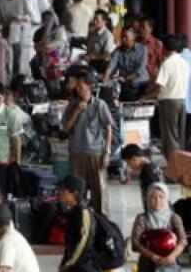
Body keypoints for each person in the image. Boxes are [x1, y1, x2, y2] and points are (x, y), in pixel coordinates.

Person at [62, 69, 114, 215]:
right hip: (76, 153)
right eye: (76, 87)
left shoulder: (99, 105)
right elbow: (65, 128)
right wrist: (77, 111)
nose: (77, 89)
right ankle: (78, 217)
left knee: (100, 191)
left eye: (81, 86)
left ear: (89, 86)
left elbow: (108, 128)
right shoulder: (72, 105)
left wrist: (107, 153)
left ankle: (101, 220)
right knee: (77, 191)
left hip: (96, 153)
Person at [131, 183, 186, 272]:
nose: (157, 201)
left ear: (167, 198)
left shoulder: (174, 218)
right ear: (148, 199)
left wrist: (171, 257)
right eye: (153, 197)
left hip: (170, 271)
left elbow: (183, 241)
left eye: (161, 197)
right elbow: (135, 243)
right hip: (147, 271)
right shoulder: (142, 219)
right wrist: (154, 257)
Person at [141, 35, 190, 159]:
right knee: (180, 136)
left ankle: (173, 164)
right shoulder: (184, 63)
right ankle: (181, 163)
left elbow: (160, 87)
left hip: (169, 102)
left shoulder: (167, 64)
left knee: (170, 136)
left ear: (165, 48)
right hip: (181, 101)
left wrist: (146, 97)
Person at [57, 174, 102, 272]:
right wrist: (65, 263)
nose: (60, 193)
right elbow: (70, 243)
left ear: (74, 193)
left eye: (63, 191)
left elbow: (83, 241)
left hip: (87, 271)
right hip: (77, 269)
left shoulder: (84, 213)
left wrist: (69, 264)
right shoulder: (72, 213)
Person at [103, 27, 149, 101]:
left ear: (133, 38)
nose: (123, 39)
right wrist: (106, 77)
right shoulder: (118, 50)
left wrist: (126, 78)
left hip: (141, 83)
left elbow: (140, 69)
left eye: (125, 37)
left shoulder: (143, 49)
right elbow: (111, 64)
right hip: (126, 84)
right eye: (122, 37)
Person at [121, 144, 163, 211]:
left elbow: (156, 195)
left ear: (134, 159)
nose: (129, 166)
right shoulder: (152, 166)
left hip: (156, 210)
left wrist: (152, 213)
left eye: (128, 163)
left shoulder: (147, 171)